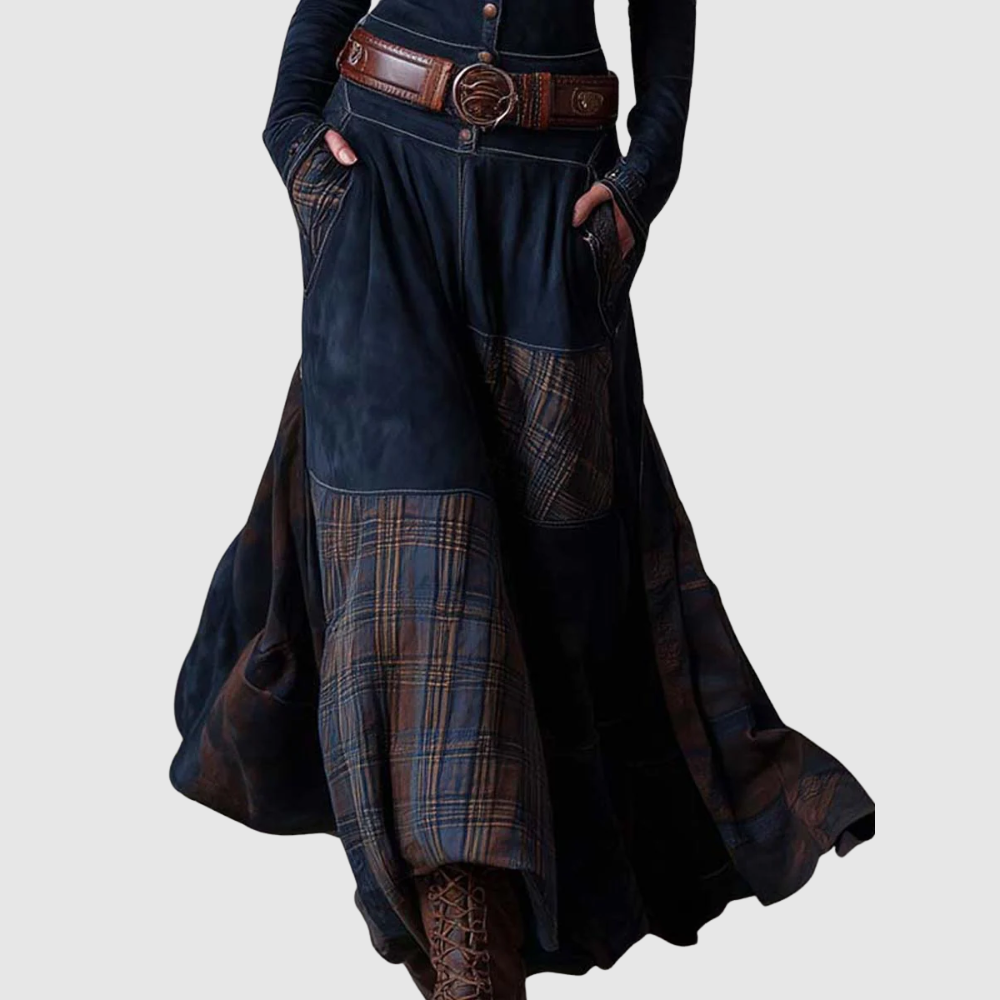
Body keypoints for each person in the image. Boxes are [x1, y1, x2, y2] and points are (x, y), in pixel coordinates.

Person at [171, 3, 875, 998]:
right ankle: (471, 962)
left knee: (554, 587)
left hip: (552, 208)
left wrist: (638, 187)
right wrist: (295, 139)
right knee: (416, 564)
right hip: (382, 184)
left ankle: (469, 938)